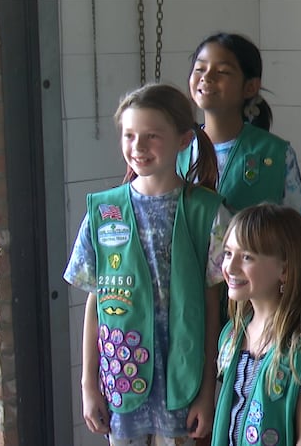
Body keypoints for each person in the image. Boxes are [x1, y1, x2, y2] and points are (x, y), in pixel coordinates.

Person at [63, 83, 231, 445]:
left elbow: (212, 307)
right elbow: (96, 302)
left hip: (183, 380)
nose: (138, 147)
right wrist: (88, 385)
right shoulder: (103, 212)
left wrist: (207, 391)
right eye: (129, 135)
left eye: (152, 136)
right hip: (120, 376)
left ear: (184, 140)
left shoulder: (208, 212)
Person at [213, 203, 301, 446]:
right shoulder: (232, 335)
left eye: (247, 257)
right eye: (228, 253)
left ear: (285, 270)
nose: (230, 267)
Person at [179, 32, 301, 219]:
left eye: (222, 72)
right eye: (200, 68)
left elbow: (297, 225)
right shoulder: (177, 147)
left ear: (250, 87)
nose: (206, 77)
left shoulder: (276, 153)